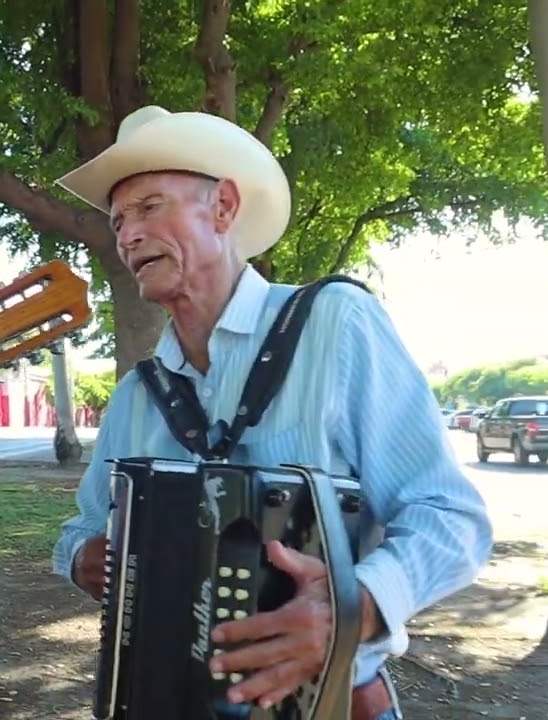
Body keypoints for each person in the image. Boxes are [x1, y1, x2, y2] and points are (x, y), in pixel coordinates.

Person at [51, 106, 492, 720]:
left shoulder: (334, 324)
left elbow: (450, 516)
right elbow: (81, 529)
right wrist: (82, 559)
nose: (126, 236)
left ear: (224, 208)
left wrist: (351, 608)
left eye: (149, 207)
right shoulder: (136, 395)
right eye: (118, 220)